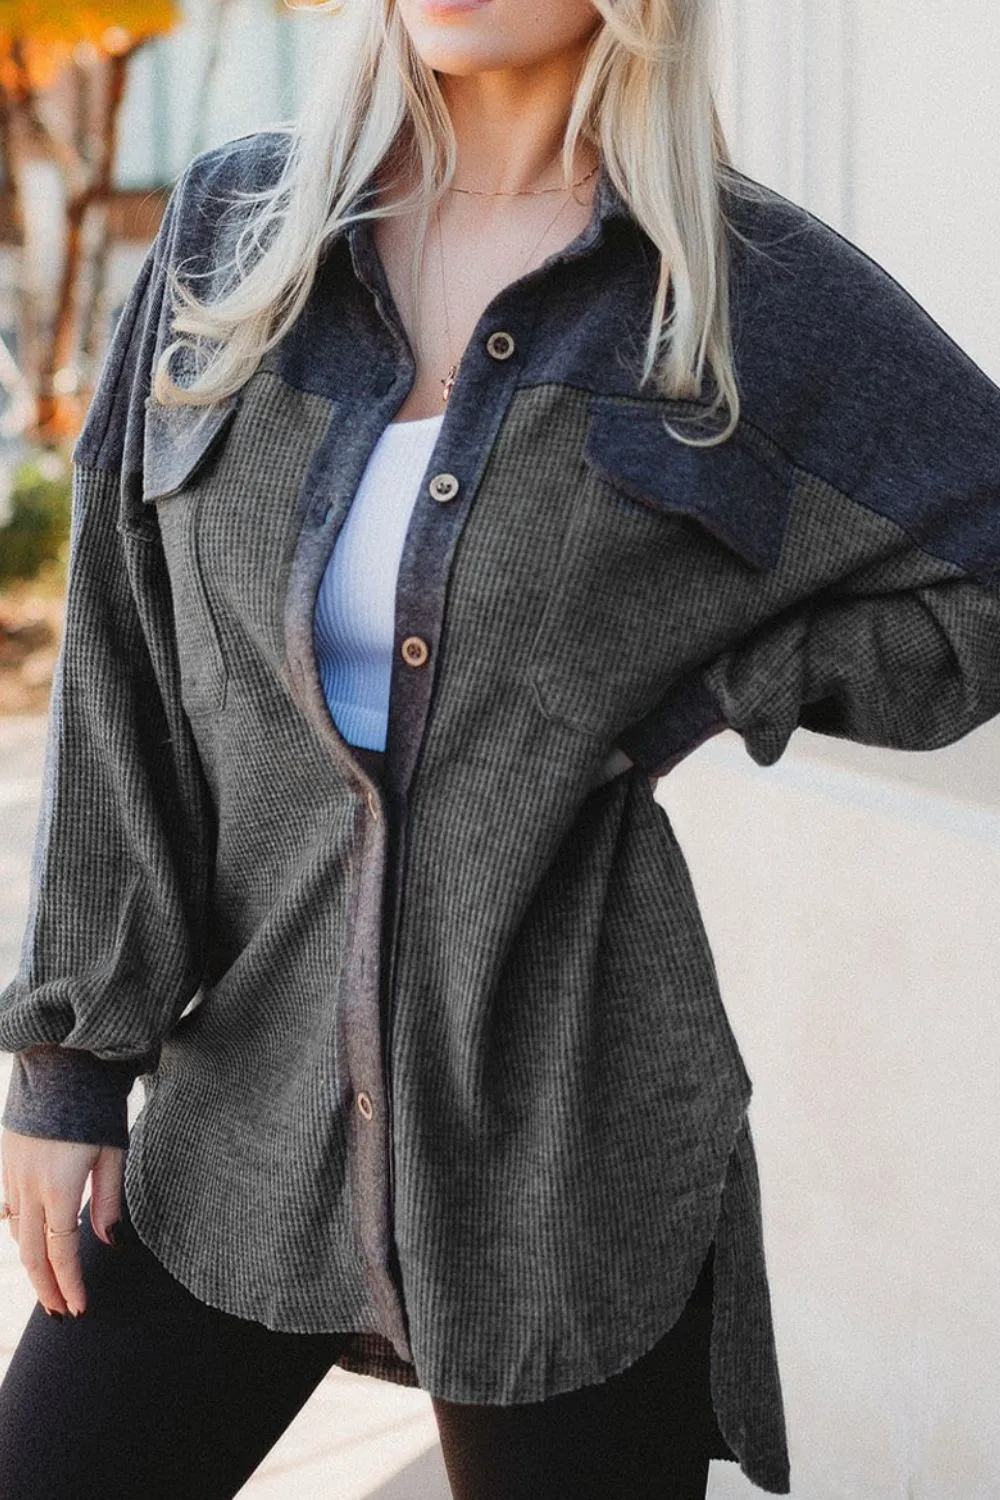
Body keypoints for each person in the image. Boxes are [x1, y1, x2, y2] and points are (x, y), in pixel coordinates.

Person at [2, 0, 1000, 1496]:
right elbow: (120, 652)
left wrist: (714, 690)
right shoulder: (236, 232)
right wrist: (72, 1066)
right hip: (240, 1119)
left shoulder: (741, 293)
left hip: (565, 1167)